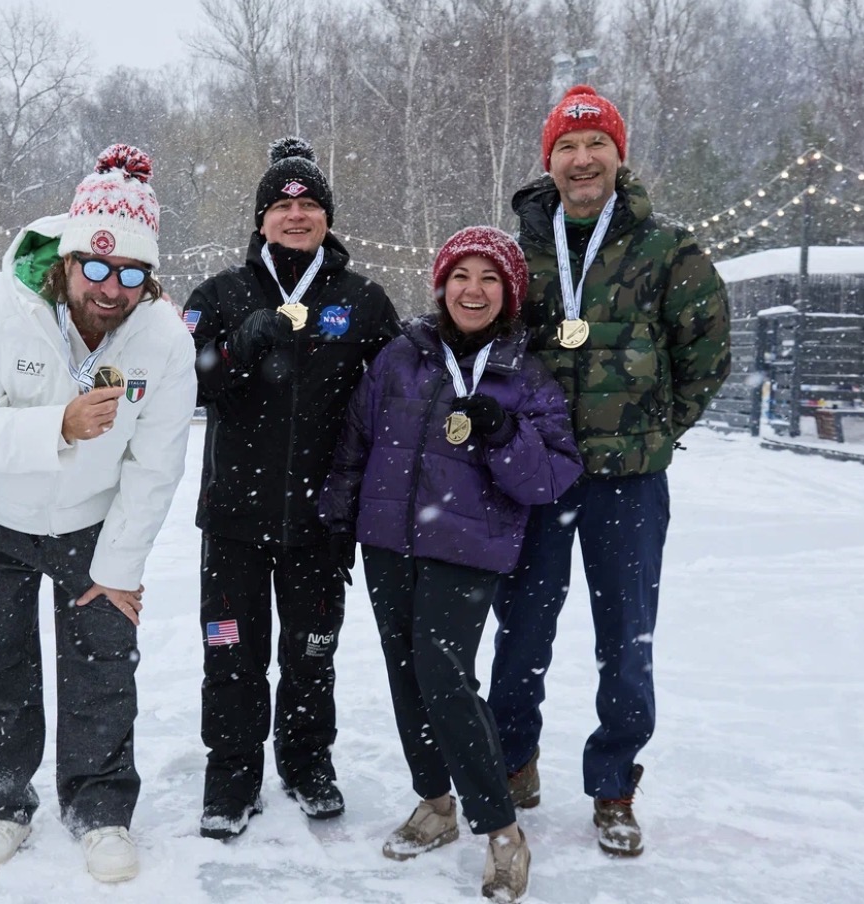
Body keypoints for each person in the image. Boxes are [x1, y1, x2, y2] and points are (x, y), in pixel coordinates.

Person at [0, 145, 197, 883]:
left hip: (92, 525)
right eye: (98, 268)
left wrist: (117, 570)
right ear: (69, 257)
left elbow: (157, 466)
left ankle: (101, 808)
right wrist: (58, 426)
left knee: (104, 671)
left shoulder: (164, 339)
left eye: (133, 274)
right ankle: (0, 803)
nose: (112, 289)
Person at [488, 85, 732, 857]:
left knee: (626, 638)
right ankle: (514, 760)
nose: (582, 159)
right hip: (535, 482)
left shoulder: (669, 252)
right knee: (521, 630)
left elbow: (707, 354)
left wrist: (656, 428)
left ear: (618, 157)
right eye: (566, 146)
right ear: (549, 160)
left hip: (628, 484)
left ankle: (614, 781)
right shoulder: (516, 254)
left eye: (596, 145)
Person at [320, 226, 581, 902]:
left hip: (467, 547)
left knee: (443, 675)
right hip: (387, 541)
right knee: (406, 672)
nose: (473, 290)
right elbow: (356, 439)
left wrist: (505, 434)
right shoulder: (401, 358)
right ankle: (435, 804)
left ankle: (501, 831)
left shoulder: (526, 375)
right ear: (441, 285)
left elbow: (552, 475)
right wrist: (338, 521)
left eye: (489, 278)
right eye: (461, 276)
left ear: (510, 292)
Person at [183, 137, 401, 839]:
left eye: (309, 204)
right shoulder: (218, 294)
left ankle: (307, 764)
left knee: (311, 654)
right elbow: (182, 378)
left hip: (320, 522)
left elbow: (398, 397)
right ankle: (232, 775)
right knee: (230, 653)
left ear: (328, 219)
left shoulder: (363, 301)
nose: (296, 214)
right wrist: (235, 346)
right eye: (282, 204)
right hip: (233, 521)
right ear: (261, 219)